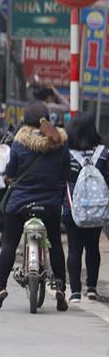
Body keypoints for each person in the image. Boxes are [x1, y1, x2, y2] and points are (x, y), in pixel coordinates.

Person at [0, 102, 71, 311]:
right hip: (50, 204)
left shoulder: (20, 142)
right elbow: (65, 173)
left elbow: (11, 170)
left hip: (20, 203)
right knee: (55, 241)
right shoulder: (60, 142)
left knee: (9, 243)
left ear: (25, 121)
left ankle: (0, 288)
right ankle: (61, 289)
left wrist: (8, 176)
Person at [63, 113, 106, 303]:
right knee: (92, 247)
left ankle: (74, 291)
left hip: (72, 207)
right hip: (97, 209)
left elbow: (60, 178)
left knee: (74, 249)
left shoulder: (66, 153)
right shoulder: (104, 154)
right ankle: (92, 288)